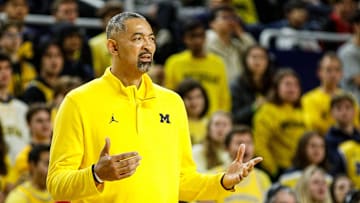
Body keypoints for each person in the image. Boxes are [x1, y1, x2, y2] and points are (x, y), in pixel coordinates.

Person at [46, 12, 263, 203]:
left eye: (151, 39)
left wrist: (223, 182)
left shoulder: (172, 102)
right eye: (137, 39)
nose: (147, 46)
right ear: (113, 46)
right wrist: (96, 174)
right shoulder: (79, 101)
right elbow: (57, 184)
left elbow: (182, 181)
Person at [253, 68, 306, 180]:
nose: (292, 89)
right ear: (277, 88)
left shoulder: (303, 111)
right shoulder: (267, 111)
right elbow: (260, 145)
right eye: (287, 84)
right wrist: (273, 170)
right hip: (280, 171)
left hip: (303, 170)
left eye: (295, 85)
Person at [206, 125, 271, 203]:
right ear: (226, 148)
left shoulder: (263, 178)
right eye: (239, 143)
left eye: (249, 143)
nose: (245, 147)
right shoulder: (212, 176)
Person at [230, 45, 274, 126]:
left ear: (268, 61)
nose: (257, 61)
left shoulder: (274, 84)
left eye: (262, 57)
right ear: (245, 60)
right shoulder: (236, 85)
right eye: (254, 57)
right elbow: (234, 117)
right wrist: (254, 107)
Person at [176, 78, 209, 145]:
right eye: (189, 98)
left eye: (198, 97)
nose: (194, 102)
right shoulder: (176, 124)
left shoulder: (211, 124)